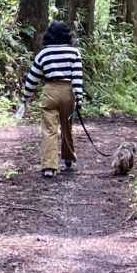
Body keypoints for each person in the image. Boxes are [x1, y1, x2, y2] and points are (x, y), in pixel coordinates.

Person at [20, 20, 84, 177]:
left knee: (49, 129)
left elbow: (32, 78)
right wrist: (79, 97)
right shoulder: (74, 53)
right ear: (66, 35)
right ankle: (68, 157)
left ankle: (49, 166)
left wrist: (25, 98)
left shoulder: (43, 54)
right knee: (67, 125)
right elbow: (77, 77)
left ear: (49, 35)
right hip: (68, 91)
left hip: (50, 90)